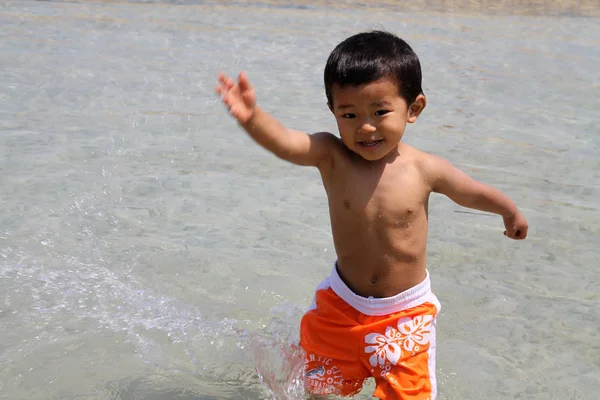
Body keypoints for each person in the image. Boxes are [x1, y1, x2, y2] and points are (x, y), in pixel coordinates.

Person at [215, 30, 528, 400]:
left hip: (404, 316)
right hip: (341, 308)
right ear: (333, 111)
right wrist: (253, 119)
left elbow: (470, 191)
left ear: (414, 109)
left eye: (380, 112)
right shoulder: (332, 156)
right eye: (349, 114)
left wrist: (508, 211)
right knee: (320, 391)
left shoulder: (424, 169)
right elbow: (287, 142)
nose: (365, 127)